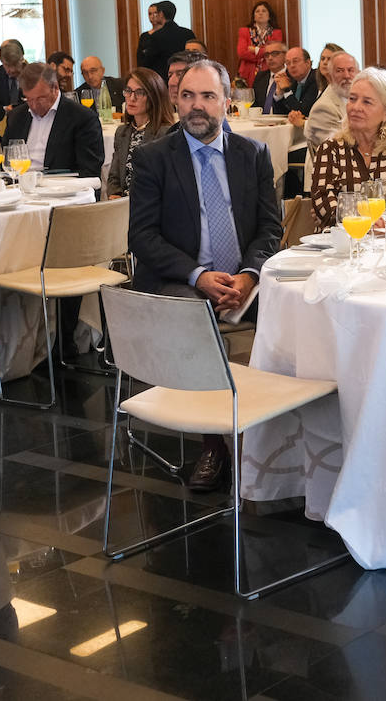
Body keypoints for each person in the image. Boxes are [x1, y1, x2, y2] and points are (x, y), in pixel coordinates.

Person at [128, 59, 280, 491]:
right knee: (191, 314)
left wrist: (249, 275)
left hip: (243, 279)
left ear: (227, 102)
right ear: (176, 102)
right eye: (188, 96)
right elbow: (142, 237)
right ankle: (214, 443)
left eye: (208, 96)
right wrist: (198, 276)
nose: (197, 106)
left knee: (302, 304)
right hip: (182, 280)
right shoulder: (154, 158)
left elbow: (270, 228)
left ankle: (281, 434)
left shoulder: (253, 154)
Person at [310, 67, 386, 227]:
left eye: (367, 102)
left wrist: (362, 220)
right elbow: (324, 205)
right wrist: (366, 224)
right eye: (352, 99)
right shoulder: (330, 149)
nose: (355, 107)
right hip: (341, 240)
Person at [4, 63, 104, 177]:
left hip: (62, 185)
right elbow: (6, 160)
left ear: (55, 88)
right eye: (29, 99)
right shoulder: (16, 117)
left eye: (40, 98)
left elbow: (90, 170)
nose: (34, 105)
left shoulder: (82, 118)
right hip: (19, 183)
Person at [107, 68, 174, 198]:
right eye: (128, 91)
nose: (132, 98)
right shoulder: (122, 132)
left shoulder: (165, 133)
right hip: (121, 204)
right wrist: (114, 195)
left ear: (154, 97)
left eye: (140, 92)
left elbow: (166, 183)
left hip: (150, 203)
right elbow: (114, 177)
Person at [305, 51, 357, 150]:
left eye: (351, 70)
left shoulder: (356, 98)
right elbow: (337, 149)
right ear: (330, 76)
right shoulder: (323, 108)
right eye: (340, 71)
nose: (346, 75)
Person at [136, 0, 196, 82]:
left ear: (161, 14)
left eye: (157, 13)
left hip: (163, 80)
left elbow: (147, 63)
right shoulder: (188, 33)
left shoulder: (156, 36)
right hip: (186, 76)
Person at [235, 1, 282, 86]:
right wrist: (264, 54)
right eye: (257, 11)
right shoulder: (244, 31)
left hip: (268, 71)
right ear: (254, 16)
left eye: (264, 11)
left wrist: (256, 50)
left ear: (269, 16)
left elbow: (274, 53)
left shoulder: (276, 33)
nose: (260, 13)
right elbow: (242, 53)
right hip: (248, 73)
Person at [251, 41, 291, 114]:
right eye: (267, 55)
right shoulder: (260, 77)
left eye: (274, 54)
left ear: (285, 55)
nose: (270, 58)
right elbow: (255, 103)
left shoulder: (292, 76)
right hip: (261, 119)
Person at [0, 39, 25, 106]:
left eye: (15, 64)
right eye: (7, 65)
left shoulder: (33, 75)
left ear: (22, 58)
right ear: (1, 60)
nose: (12, 70)